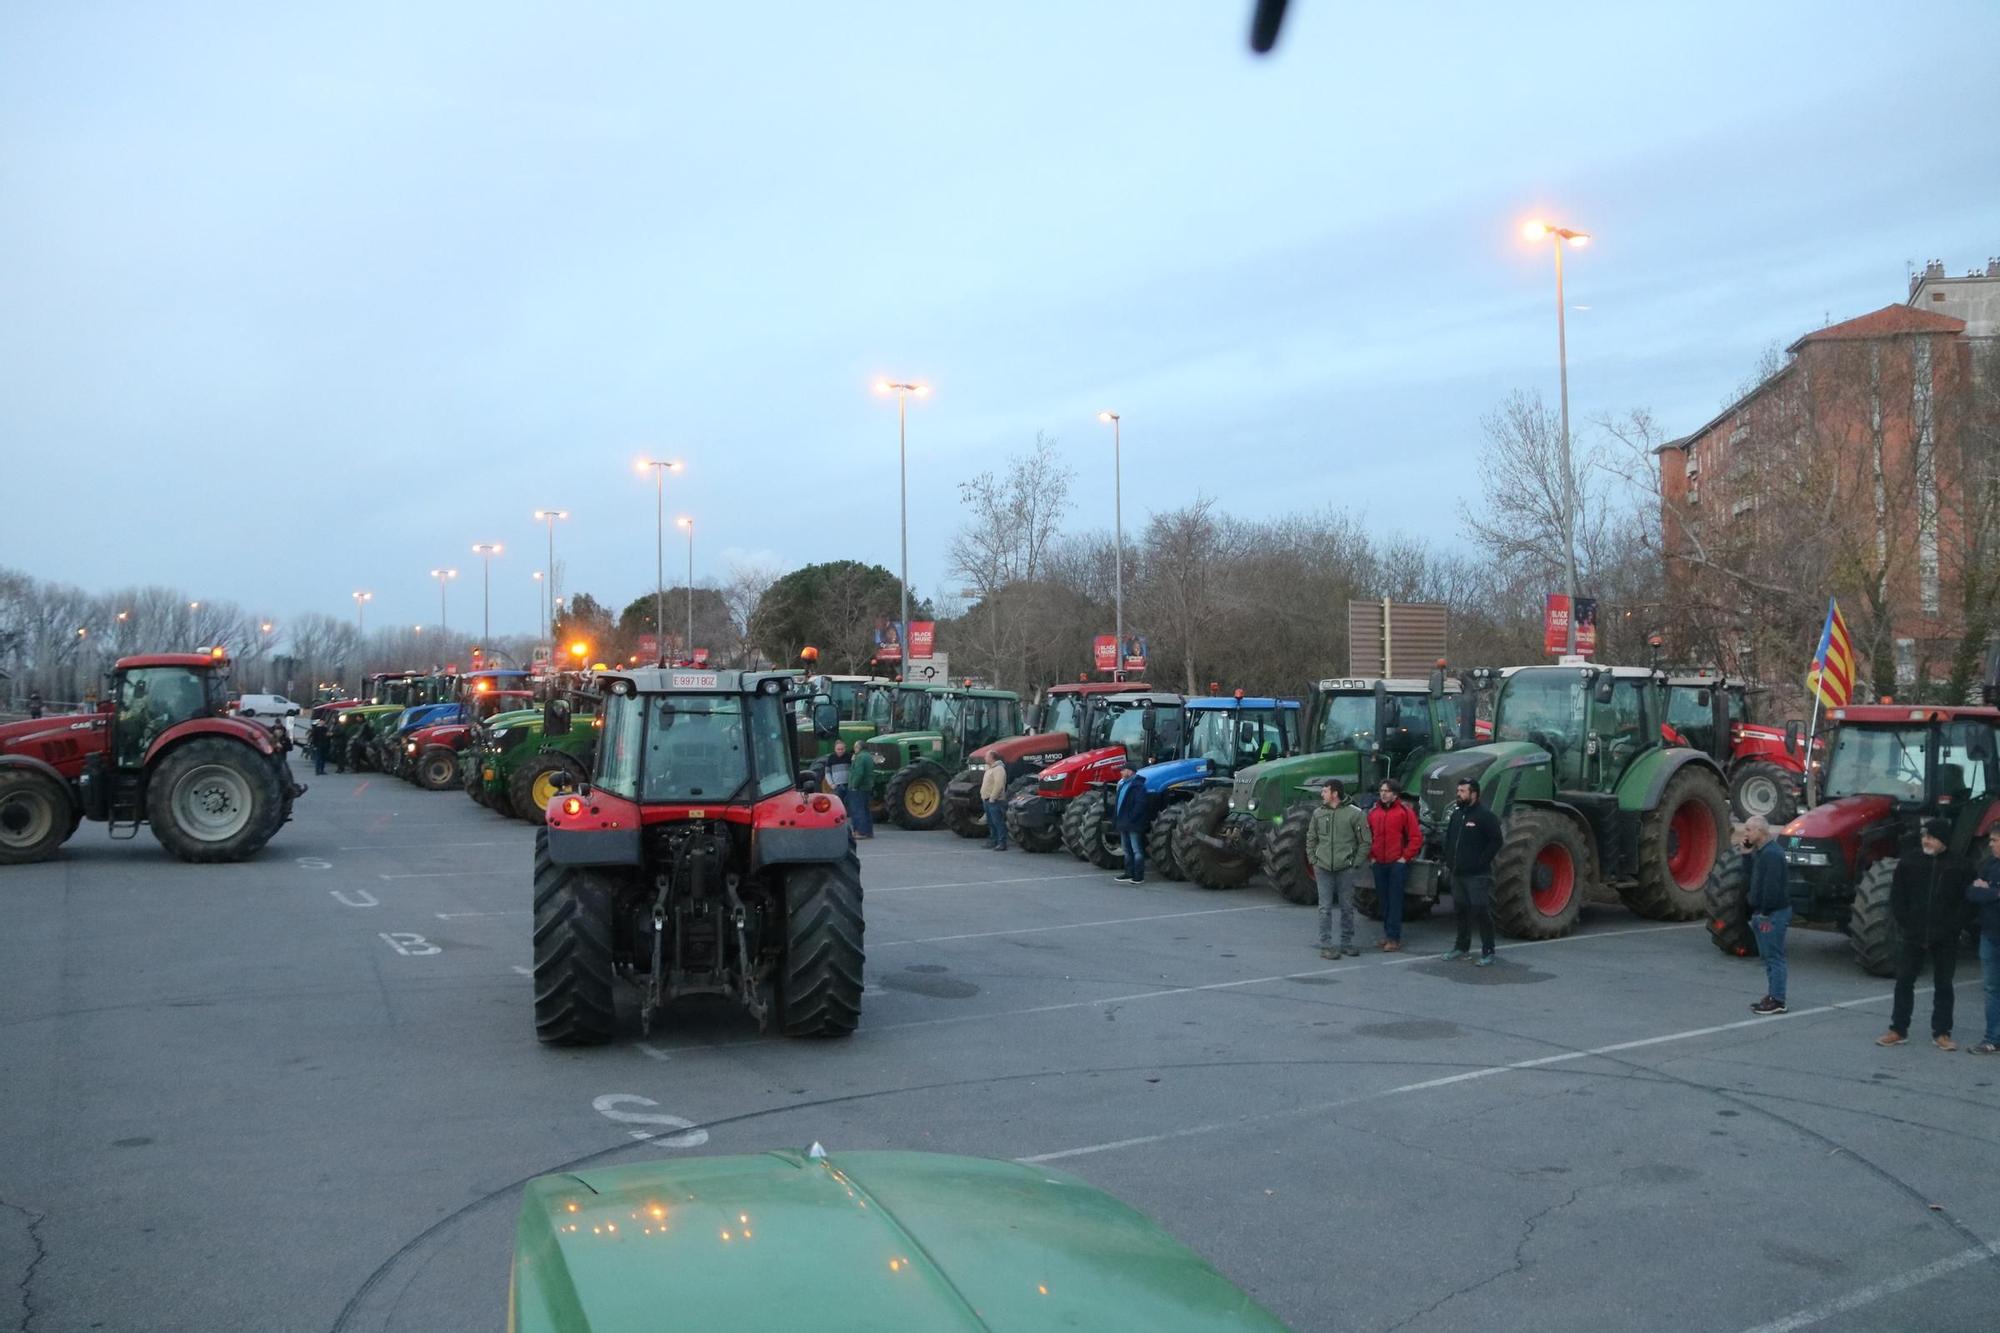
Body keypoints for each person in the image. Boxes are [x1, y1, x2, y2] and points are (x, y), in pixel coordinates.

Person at [1879, 817, 1968, 1050]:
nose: (1926, 841)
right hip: (1913, 934)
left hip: (1945, 937)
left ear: (1943, 840)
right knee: (1904, 981)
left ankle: (1942, 1033)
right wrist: (1908, 925)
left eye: (1931, 837)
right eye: (1924, 836)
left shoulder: (1960, 866)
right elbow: (1897, 898)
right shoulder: (1909, 862)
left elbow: (1966, 904)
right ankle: (1898, 1029)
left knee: (1944, 984)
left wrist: (1951, 928)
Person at [1442, 777, 1503, 965]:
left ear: (1473, 793)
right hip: (1458, 873)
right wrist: (1449, 860)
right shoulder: (1457, 815)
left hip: (1477, 875)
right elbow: (1450, 838)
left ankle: (1488, 951)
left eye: (1462, 791)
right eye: (1458, 790)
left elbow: (1496, 840)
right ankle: (1461, 947)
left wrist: (1481, 861)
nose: (1458, 794)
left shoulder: (1485, 815)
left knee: (1480, 911)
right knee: (1461, 910)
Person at [1306, 779, 1369, 959]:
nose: (1322, 794)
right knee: (1324, 908)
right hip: (1323, 867)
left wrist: (1355, 862)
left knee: (1347, 907)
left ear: (1335, 794)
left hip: (1345, 869)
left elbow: (1365, 841)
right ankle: (1326, 945)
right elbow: (1311, 838)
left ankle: (1346, 943)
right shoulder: (1318, 813)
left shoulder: (1355, 814)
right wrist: (1313, 859)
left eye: (1325, 791)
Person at [1741, 815, 1791, 1014]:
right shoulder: (1761, 852)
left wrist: (1764, 912)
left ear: (1760, 832)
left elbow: (1771, 886)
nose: (1745, 834)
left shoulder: (1772, 855)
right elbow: (1750, 876)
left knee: (1774, 957)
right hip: (1765, 911)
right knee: (1768, 957)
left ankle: (1778, 1000)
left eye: (1749, 830)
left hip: (1773, 913)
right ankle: (1773, 994)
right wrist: (1746, 855)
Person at [1367, 779, 1422, 951]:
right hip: (1379, 864)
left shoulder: (1405, 813)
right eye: (1381, 790)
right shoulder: (1373, 813)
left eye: (1387, 791)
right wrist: (1371, 857)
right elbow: (1367, 837)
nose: (1383, 793)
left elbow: (1416, 838)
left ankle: (1394, 938)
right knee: (1383, 902)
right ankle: (1388, 935)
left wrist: (1404, 858)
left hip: (1396, 865)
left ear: (1395, 794)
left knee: (1395, 901)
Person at [1967, 827, 2000, 1055]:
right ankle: (1992, 1038)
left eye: (1995, 840)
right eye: (1991, 840)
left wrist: (1988, 889)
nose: (1991, 844)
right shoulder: (1988, 865)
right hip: (1989, 934)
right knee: (1991, 988)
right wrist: (1995, 893)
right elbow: (1971, 892)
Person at [1112, 766, 1147, 884]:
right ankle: (1128, 873)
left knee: (1136, 849)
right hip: (1123, 822)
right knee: (1126, 849)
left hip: (1132, 823)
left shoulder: (1138, 786)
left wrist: (1132, 818)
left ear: (1130, 771)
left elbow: (1140, 805)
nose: (1121, 772)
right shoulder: (1122, 785)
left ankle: (1138, 876)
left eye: (1123, 770)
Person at [844, 742, 875, 839]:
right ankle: (868, 831)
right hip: (867, 786)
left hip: (859, 787)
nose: (854, 749)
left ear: (858, 747)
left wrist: (854, 785)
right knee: (865, 809)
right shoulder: (868, 756)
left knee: (857, 809)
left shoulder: (860, 757)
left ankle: (860, 832)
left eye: (855, 747)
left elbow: (858, 773)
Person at [979, 753, 1009, 850]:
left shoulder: (999, 769)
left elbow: (999, 784)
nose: (985, 758)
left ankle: (1002, 843)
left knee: (998, 822)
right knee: (991, 822)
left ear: (992, 758)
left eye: (986, 756)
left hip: (995, 801)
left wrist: (993, 797)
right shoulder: (990, 769)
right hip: (987, 800)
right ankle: (993, 840)